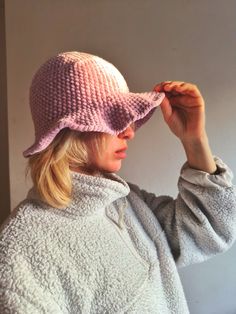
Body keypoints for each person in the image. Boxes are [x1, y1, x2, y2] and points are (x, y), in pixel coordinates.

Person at [0, 51, 236, 314]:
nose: (129, 131)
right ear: (71, 129)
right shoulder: (22, 250)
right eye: (113, 117)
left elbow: (209, 232)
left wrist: (194, 140)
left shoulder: (125, 202)